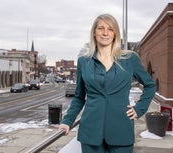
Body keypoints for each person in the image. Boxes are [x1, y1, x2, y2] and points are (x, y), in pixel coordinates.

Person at [58, 13, 156, 153]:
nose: (105, 33)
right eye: (101, 28)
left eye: (110, 29)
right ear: (94, 33)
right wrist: (67, 121)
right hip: (91, 132)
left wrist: (139, 109)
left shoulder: (129, 59)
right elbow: (79, 97)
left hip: (121, 130)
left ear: (115, 33)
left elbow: (150, 85)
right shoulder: (84, 61)